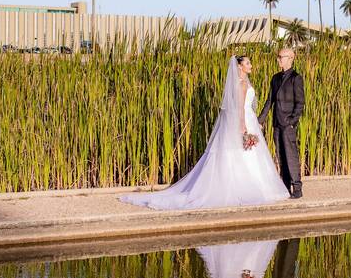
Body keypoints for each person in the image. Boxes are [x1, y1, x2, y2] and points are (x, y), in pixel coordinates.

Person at [119, 55, 290, 210]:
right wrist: (243, 125)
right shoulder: (242, 83)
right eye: (247, 63)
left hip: (245, 119)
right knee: (245, 154)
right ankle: (250, 188)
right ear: (239, 66)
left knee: (240, 154)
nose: (250, 65)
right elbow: (239, 107)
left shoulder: (239, 81)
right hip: (244, 121)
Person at [258, 48, 305, 198]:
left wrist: (292, 121)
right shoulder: (275, 78)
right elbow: (269, 101)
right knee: (281, 155)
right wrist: (260, 120)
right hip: (277, 123)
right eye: (278, 57)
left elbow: (300, 103)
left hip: (288, 124)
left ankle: (297, 188)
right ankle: (285, 188)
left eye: (281, 57)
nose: (278, 59)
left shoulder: (296, 78)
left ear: (290, 58)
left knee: (291, 155)